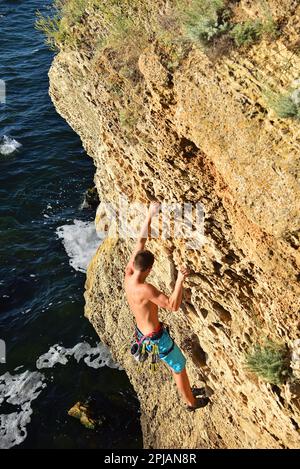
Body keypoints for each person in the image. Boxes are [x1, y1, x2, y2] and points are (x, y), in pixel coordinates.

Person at [124, 202, 209, 411]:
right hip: (156, 339)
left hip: (142, 333)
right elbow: (172, 306)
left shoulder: (129, 274)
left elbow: (140, 241)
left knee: (174, 366)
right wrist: (180, 279)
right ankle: (191, 402)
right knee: (179, 369)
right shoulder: (145, 289)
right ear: (149, 268)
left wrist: (150, 215)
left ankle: (188, 392)